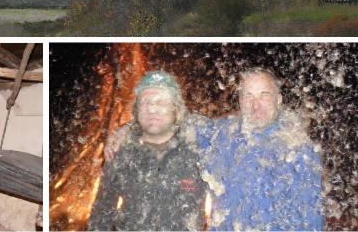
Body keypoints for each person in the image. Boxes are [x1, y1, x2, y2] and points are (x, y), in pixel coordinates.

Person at [105, 67, 323, 231]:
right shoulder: (223, 133)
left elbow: (311, 219)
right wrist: (128, 128)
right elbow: (177, 122)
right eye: (248, 96)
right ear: (239, 101)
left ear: (279, 100)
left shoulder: (297, 150)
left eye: (264, 95)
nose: (255, 105)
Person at [88, 71, 205, 231]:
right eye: (146, 102)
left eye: (161, 103)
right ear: (136, 110)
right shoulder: (120, 152)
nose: (152, 109)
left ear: (176, 110)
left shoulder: (200, 148)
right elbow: (102, 213)